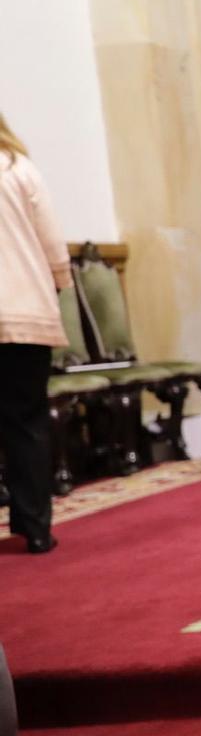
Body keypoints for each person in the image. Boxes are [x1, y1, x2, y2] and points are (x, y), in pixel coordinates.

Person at [0, 112, 69, 555]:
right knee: (27, 422)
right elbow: (51, 243)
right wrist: (57, 284)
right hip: (26, 314)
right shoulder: (19, 170)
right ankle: (36, 526)